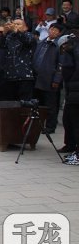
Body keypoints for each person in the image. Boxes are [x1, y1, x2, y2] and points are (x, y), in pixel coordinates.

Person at [33, 23, 64, 134]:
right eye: (52, 29)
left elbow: (61, 64)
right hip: (38, 78)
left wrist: (57, 79)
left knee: (51, 105)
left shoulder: (59, 45)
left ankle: (51, 127)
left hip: (50, 79)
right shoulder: (41, 42)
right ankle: (39, 125)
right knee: (39, 104)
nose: (53, 32)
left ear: (59, 33)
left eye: (56, 30)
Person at [0, 18, 36, 100]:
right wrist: (4, 33)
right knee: (11, 102)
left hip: (24, 75)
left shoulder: (29, 36)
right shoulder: (10, 36)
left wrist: (16, 31)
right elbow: (0, 45)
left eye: (18, 24)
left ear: (25, 27)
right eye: (14, 24)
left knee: (25, 102)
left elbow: (27, 41)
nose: (15, 25)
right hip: (10, 75)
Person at [58, 34, 79, 163]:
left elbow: (69, 72)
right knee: (70, 121)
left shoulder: (72, 52)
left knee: (75, 123)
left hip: (75, 92)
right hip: (73, 92)